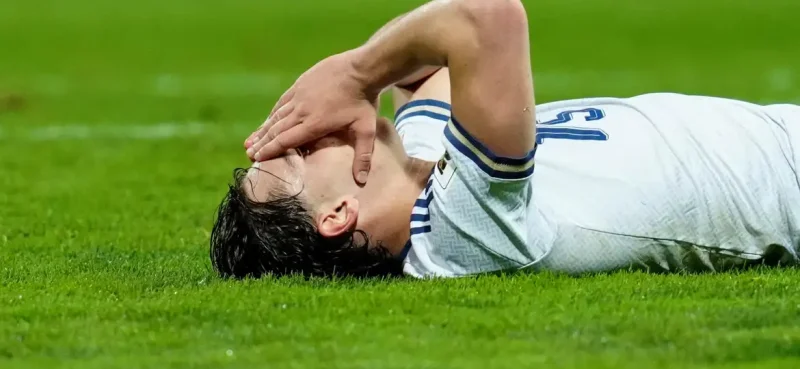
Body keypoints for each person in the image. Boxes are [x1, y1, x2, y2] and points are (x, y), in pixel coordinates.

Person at [210, 0, 800, 279]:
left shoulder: (419, 164)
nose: (312, 127)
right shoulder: (462, 234)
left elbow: (422, 72)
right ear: (339, 213)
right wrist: (357, 73)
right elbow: (486, 19)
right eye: (303, 150)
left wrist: (372, 80)